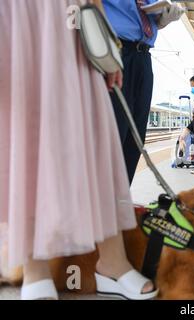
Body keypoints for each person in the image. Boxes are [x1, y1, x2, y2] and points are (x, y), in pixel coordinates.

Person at [0, 0, 155, 300]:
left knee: (95, 135)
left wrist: (105, 40)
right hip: (15, 14)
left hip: (70, 13)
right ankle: (35, 267)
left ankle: (111, 260)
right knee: (24, 128)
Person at [104, 0, 184, 184]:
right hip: (115, 49)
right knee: (113, 137)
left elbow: (151, 21)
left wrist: (165, 18)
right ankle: (100, 205)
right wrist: (105, 48)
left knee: (134, 140)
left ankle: (120, 201)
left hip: (144, 56)